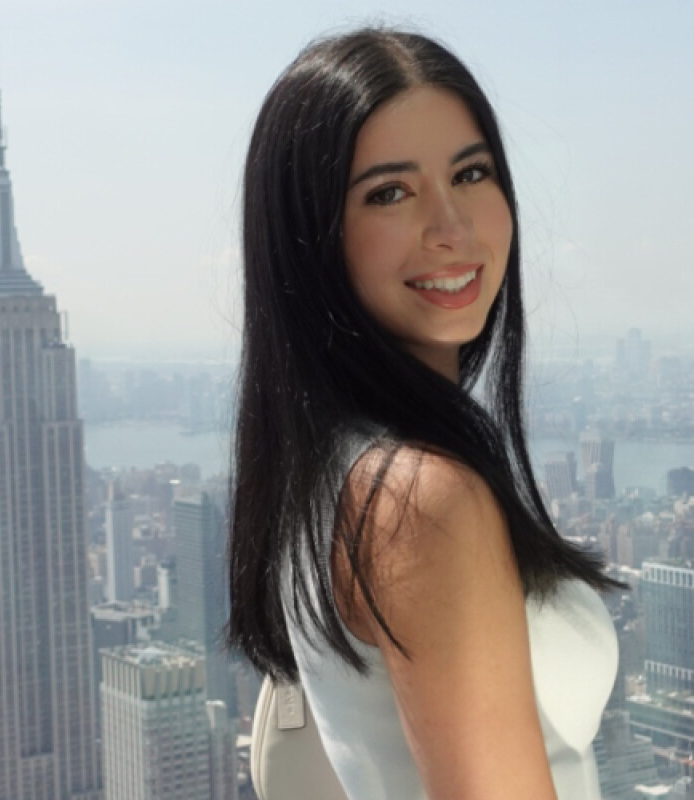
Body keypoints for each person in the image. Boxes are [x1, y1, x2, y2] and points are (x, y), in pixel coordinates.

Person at [227, 26, 626, 800]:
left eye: (471, 173)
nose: (453, 228)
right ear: (311, 238)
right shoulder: (418, 500)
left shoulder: (331, 469)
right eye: (390, 192)